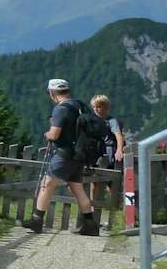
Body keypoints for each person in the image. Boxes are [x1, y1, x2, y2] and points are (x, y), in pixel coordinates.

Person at [21, 79, 99, 236]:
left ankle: (37, 221)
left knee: (46, 183)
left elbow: (55, 134)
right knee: (77, 187)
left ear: (51, 93)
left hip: (65, 153)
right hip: (80, 153)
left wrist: (47, 134)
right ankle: (90, 225)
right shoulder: (79, 105)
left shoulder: (60, 109)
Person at [88, 94, 125, 206]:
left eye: (99, 107)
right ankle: (93, 205)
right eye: (94, 107)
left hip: (108, 152)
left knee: (111, 182)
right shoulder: (92, 120)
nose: (96, 109)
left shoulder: (111, 121)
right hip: (96, 152)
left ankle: (114, 205)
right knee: (94, 181)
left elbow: (119, 135)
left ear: (105, 107)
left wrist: (119, 150)